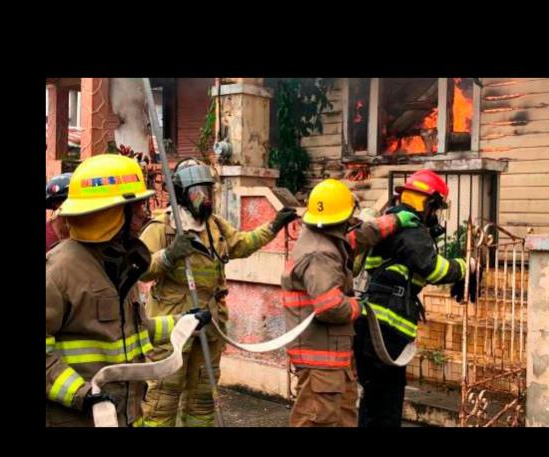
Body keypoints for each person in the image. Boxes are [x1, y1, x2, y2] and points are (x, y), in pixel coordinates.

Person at [46, 154, 210, 427]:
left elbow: (135, 331)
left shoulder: (120, 265)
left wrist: (184, 323)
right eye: (136, 208)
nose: (145, 214)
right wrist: (83, 394)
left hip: (124, 416)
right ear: (109, 215)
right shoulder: (58, 273)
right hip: (80, 419)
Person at [138, 159, 298, 427]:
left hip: (209, 326)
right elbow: (140, 269)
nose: (205, 199)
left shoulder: (215, 227)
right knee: (162, 399)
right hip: (172, 328)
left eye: (208, 191)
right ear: (182, 194)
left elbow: (243, 244)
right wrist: (169, 255)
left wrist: (273, 226)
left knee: (202, 399)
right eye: (197, 192)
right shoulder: (163, 227)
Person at [281, 178, 419, 427]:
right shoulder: (321, 255)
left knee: (344, 416)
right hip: (319, 361)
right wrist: (359, 306)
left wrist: (395, 221)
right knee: (317, 420)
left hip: (334, 357)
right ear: (341, 217)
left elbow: (360, 237)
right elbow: (330, 307)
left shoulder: (326, 237)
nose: (352, 222)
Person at [353, 169, 478, 428]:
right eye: (436, 207)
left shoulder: (390, 222)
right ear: (429, 202)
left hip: (370, 324)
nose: (436, 215)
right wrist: (467, 267)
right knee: (386, 404)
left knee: (373, 401)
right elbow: (433, 269)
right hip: (387, 328)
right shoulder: (411, 229)